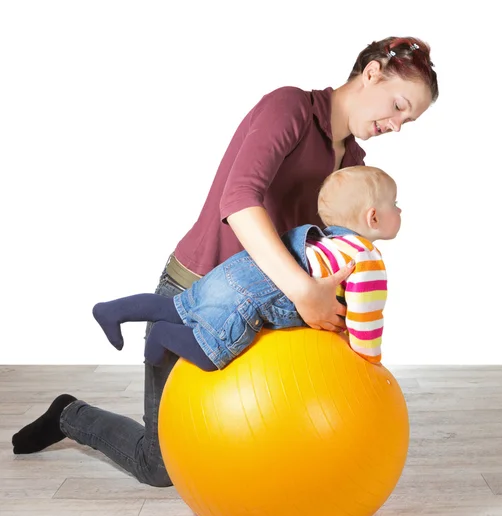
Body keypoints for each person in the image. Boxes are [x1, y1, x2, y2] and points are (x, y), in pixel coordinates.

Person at [12, 36, 438, 487]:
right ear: (371, 72)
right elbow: (239, 202)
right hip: (196, 291)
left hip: (261, 307)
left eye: (406, 120)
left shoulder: (352, 161)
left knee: (257, 443)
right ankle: (69, 415)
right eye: (397, 105)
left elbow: (327, 246)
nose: (395, 124)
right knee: (160, 468)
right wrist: (302, 292)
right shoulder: (289, 108)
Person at [92, 165, 398, 370]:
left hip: (236, 269)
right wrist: (369, 362)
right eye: (394, 204)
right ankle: (162, 336)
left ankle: (112, 310)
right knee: (209, 353)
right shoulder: (365, 258)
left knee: (176, 306)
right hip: (250, 297)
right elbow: (366, 320)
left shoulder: (320, 242)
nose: (399, 210)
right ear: (373, 217)